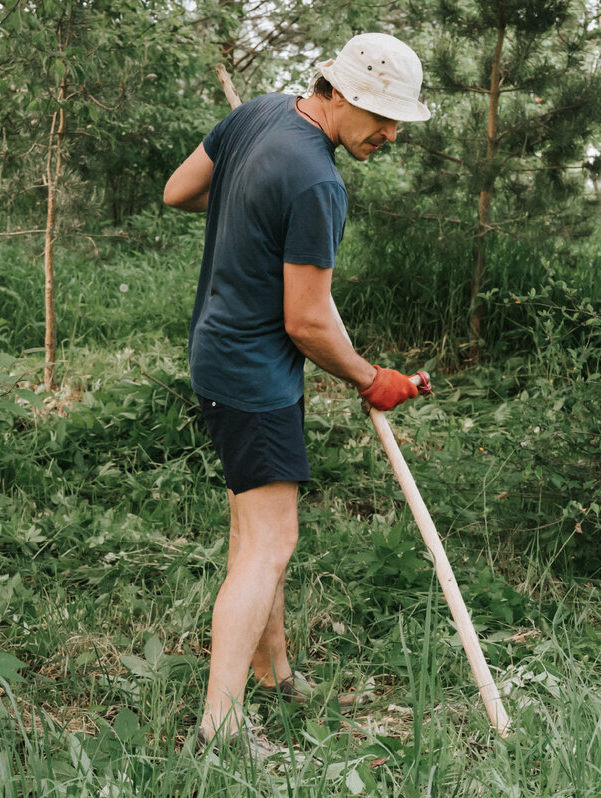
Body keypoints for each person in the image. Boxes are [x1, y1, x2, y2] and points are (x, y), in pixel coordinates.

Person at [163, 32, 431, 759]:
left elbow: (178, 190)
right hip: (253, 374)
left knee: (255, 534)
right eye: (379, 114)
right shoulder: (317, 181)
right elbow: (307, 320)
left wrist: (250, 213)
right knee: (271, 543)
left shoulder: (256, 116)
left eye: (399, 117)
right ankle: (219, 729)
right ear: (336, 92)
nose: (390, 132)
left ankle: (275, 672)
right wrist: (372, 378)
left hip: (218, 351)